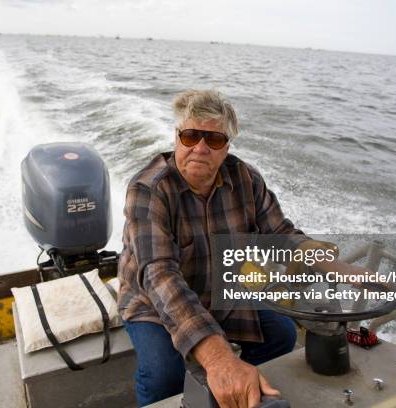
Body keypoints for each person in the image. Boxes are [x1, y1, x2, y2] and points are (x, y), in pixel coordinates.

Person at [117, 89, 321, 407]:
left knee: (281, 333)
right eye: (190, 136)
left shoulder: (245, 179)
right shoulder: (148, 189)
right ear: (176, 138)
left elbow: (280, 233)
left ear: (226, 147)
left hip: (219, 289)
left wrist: (336, 265)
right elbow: (159, 275)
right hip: (153, 303)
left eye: (213, 140)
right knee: (162, 374)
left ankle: (242, 393)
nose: (200, 148)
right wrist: (218, 360)